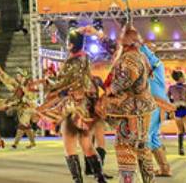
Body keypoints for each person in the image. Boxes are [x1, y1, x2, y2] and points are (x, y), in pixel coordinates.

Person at [38, 26, 106, 183]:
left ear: (70, 44)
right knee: (87, 145)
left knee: (69, 147)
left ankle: (78, 181)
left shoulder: (72, 63)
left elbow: (61, 84)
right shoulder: (86, 59)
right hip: (85, 108)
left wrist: (46, 82)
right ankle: (100, 178)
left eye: (68, 42)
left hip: (71, 108)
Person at [102, 24, 154, 183]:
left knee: (125, 147)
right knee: (142, 147)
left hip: (131, 110)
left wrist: (111, 89)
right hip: (140, 109)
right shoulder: (140, 55)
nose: (118, 40)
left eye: (121, 37)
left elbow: (128, 77)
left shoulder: (130, 57)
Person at [140, 42, 172, 177]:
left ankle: (147, 170)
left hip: (156, 105)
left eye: (149, 50)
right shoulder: (145, 70)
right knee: (152, 137)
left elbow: (145, 52)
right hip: (153, 105)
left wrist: (141, 45)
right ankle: (165, 168)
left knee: (145, 136)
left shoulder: (158, 65)